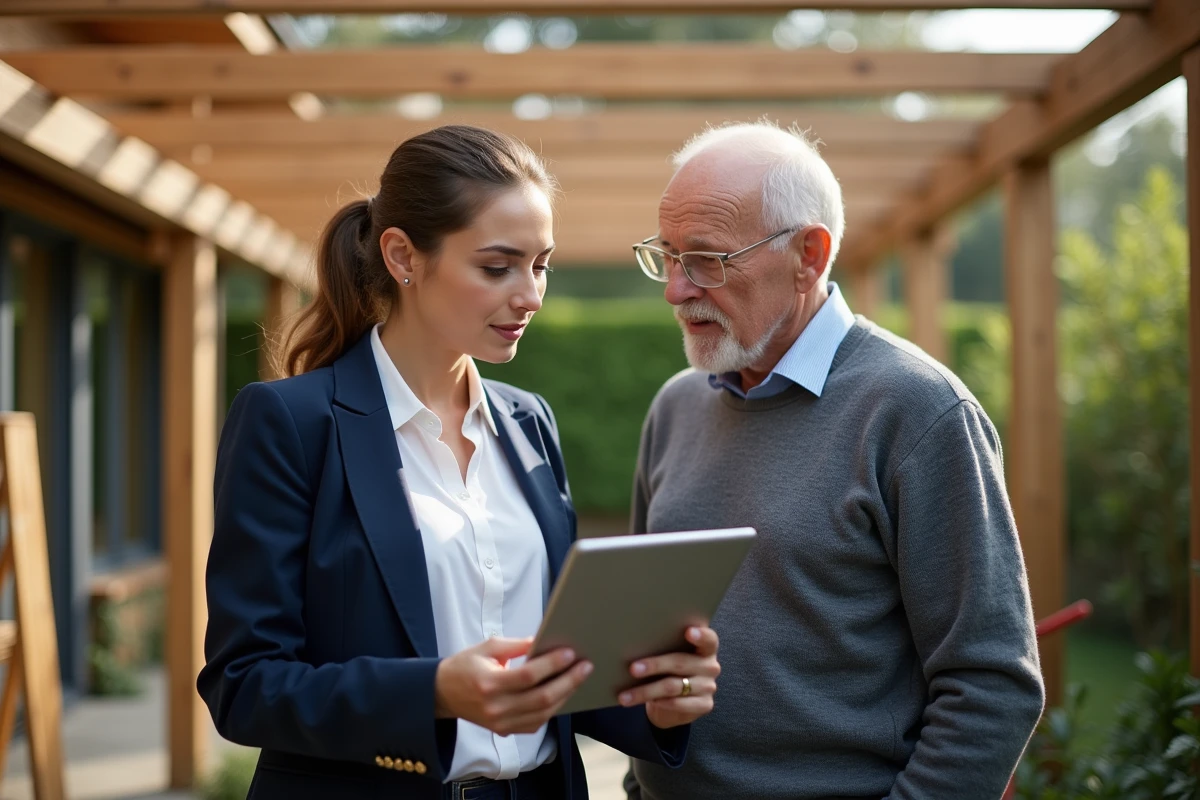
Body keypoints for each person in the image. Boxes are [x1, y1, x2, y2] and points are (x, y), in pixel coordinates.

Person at [198, 125, 721, 800]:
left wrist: (652, 701)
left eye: (541, 265)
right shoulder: (291, 424)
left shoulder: (529, 421)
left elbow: (553, 666)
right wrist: (434, 692)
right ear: (403, 257)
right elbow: (245, 684)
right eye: (497, 267)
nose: (531, 296)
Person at [622, 122, 1045, 800]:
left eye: (707, 260)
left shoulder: (918, 412)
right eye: (666, 256)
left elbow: (992, 684)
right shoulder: (676, 408)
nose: (676, 289)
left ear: (808, 256)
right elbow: (647, 644)